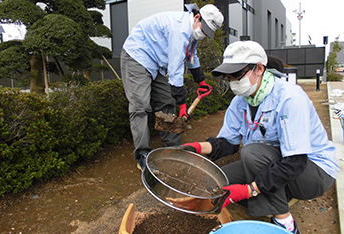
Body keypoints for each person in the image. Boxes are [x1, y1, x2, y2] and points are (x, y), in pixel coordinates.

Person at [178, 41, 340, 234]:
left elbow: (296, 162)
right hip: (274, 162)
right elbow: (227, 144)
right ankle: (277, 193)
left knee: (252, 153)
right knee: (217, 182)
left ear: (260, 68)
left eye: (237, 75)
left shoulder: (290, 99)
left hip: (313, 171)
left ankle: (286, 223)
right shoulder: (240, 102)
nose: (233, 82)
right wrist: (195, 148)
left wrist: (249, 190)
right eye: (228, 77)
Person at [120, 4, 224, 170]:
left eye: (208, 33)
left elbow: (192, 56)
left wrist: (201, 81)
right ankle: (143, 154)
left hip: (155, 63)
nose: (204, 35)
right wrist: (183, 104)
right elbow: (175, 70)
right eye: (204, 30)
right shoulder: (179, 30)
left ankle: (174, 148)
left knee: (166, 100)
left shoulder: (191, 32)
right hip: (137, 56)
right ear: (197, 17)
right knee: (140, 105)